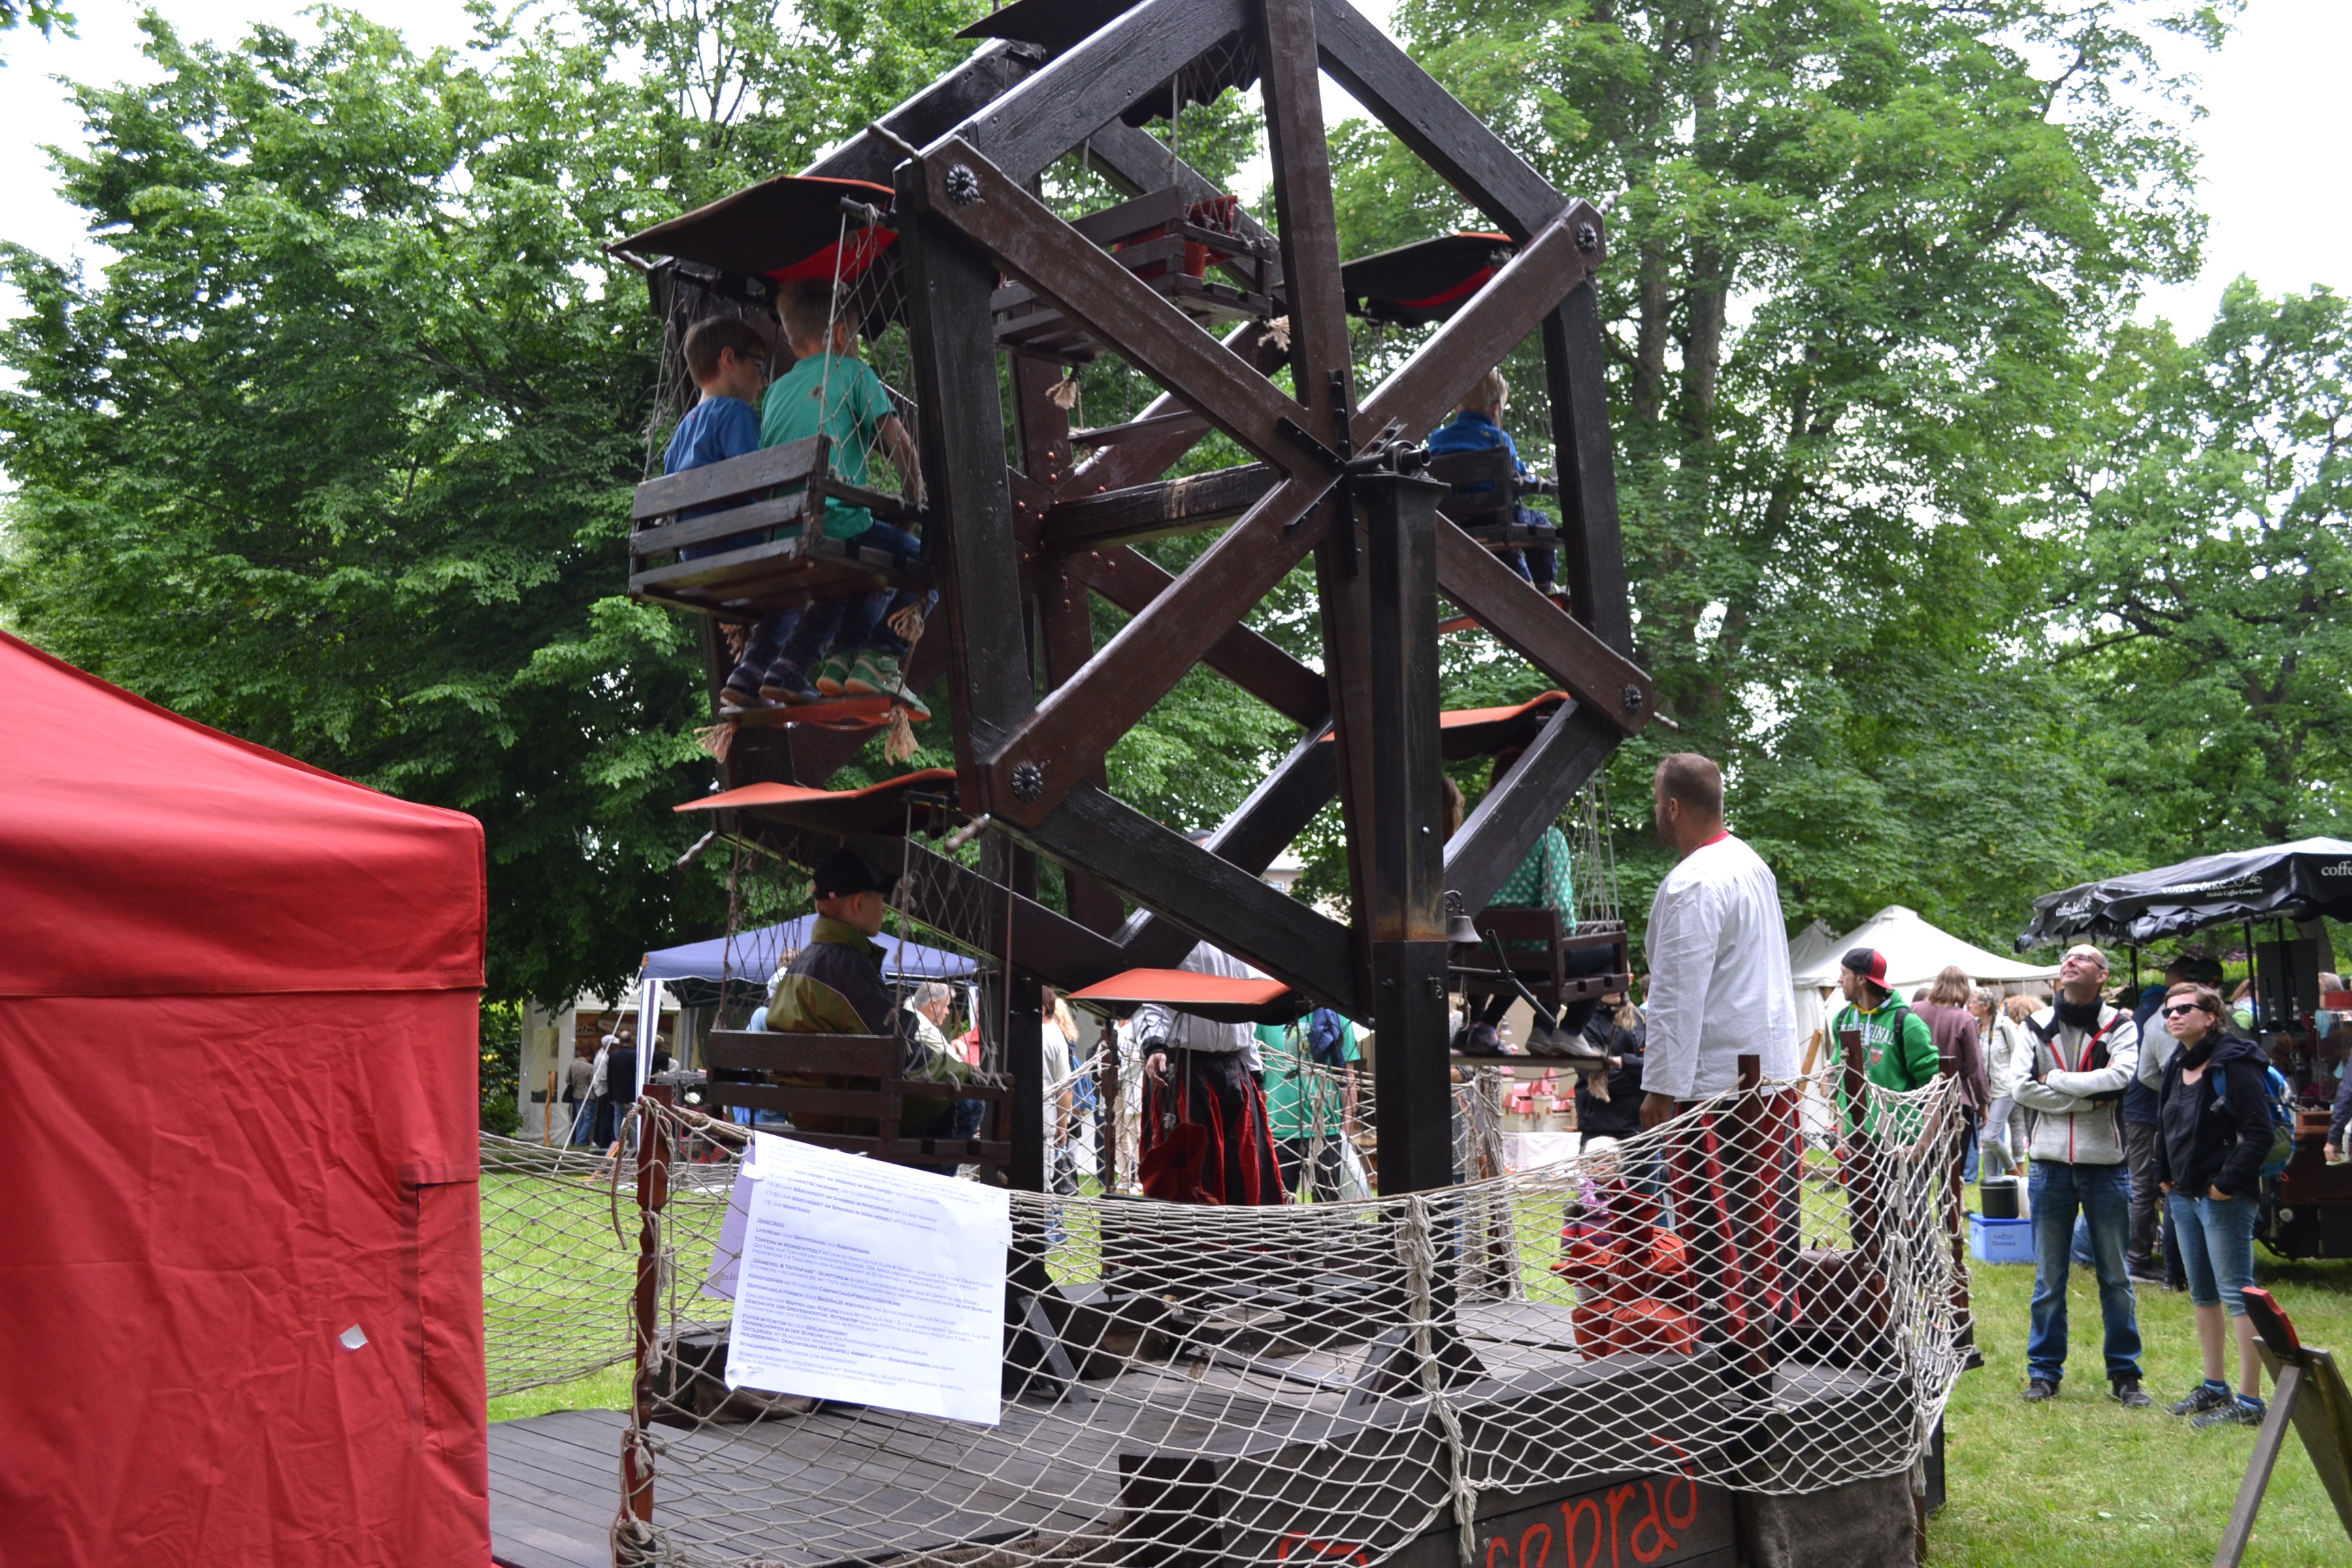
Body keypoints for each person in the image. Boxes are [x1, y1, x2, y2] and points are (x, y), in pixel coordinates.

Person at [755, 279, 929, 718]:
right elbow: (902, 448)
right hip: (835, 523)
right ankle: (879, 658)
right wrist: (917, 500)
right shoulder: (853, 373)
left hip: (786, 530)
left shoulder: (775, 391)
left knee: (865, 569)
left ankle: (817, 663)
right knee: (934, 563)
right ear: (839, 335)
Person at [2014, 943, 2147, 1406]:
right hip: (2049, 1164)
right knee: (2049, 1277)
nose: (2070, 961)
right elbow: (2019, 1088)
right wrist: (2086, 1099)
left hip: (2106, 1167)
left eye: (2083, 958)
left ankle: (2125, 1376)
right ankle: (2044, 1373)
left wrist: (2058, 1081)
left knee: (2115, 1276)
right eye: (2067, 957)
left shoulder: (2121, 1026)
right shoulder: (2033, 1025)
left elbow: (2122, 1077)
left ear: (2103, 976)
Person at [1637, 754, 1799, 1128]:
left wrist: (1661, 1089)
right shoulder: (1754, 865)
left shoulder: (1693, 882)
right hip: (1771, 1076)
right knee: (1765, 1188)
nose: (1657, 809)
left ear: (1673, 808)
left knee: (1718, 1189)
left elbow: (1677, 993)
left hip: (1717, 1092)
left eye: (1658, 801)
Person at [2152, 981, 2277, 1428]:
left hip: (2222, 1198)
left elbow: (2259, 1133)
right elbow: (2165, 1122)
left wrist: (2224, 1185)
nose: (2174, 1016)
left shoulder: (2235, 1063)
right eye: (2169, 1011)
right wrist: (2164, 1176)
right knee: (2203, 1294)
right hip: (2183, 1195)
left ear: (2211, 1016)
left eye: (2185, 1009)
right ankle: (2214, 1386)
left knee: (2237, 1294)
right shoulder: (2177, 1063)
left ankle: (2250, 1401)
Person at [662, 316, 783, 710]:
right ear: (729, 358)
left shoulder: (683, 430)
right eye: (759, 366)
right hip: (736, 542)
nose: (763, 380)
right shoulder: (736, 414)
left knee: (775, 598)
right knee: (799, 591)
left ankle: (751, 681)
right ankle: (756, 675)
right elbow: (754, 484)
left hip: (695, 554)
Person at [1133, 943, 1286, 1205]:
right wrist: (1154, 1044)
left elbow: (1244, 1012)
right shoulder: (1166, 936)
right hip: (1186, 1071)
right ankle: (1197, 1243)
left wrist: (1255, 1072)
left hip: (1235, 1071)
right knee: (1192, 1171)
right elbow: (1149, 995)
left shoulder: (1237, 938)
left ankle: (1246, 1242)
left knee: (1245, 1168)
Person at [1424, 368, 1556, 591]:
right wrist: (1536, 479)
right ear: (1496, 410)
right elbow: (1518, 481)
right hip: (1495, 517)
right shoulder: (1498, 439)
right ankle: (1544, 585)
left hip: (1454, 522)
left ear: (1457, 408)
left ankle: (1523, 585)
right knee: (1540, 524)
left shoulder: (1437, 439)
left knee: (1506, 548)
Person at [1259, 1006, 1364, 1202]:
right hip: (1278, 1129)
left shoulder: (1338, 1016)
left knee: (1327, 1210)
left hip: (1327, 1129)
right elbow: (1255, 1071)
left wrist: (1345, 1131)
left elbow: (1348, 1079)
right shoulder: (1267, 1013)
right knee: (1275, 1207)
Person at [1826, 949, 1940, 1126]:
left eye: (1844, 973)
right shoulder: (1841, 1020)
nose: (1839, 979)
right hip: (1854, 1138)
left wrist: (1923, 1141)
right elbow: (1841, 1075)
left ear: (1861, 979)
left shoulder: (1907, 1024)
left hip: (1898, 1141)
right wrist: (1842, 1125)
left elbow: (1934, 1086)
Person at [1915, 965, 1989, 1178]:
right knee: (1951, 1172)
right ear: (1964, 989)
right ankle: (1950, 1212)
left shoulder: (1915, 1010)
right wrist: (1983, 1103)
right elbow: (1976, 1066)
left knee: (1918, 1172)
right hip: (1955, 1102)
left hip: (1918, 1099)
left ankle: (1919, 1212)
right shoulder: (1964, 1019)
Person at [1972, 987, 2030, 1177]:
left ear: (1986, 1006)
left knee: (1989, 1137)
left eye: (1974, 1002)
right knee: (1990, 1140)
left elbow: (2018, 1054)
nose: (1969, 1005)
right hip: (1985, 1092)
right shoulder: (1975, 1026)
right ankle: (1992, 1183)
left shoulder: (2004, 1026)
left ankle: (2014, 1170)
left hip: (2005, 1089)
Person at [564, 1039, 599, 1148]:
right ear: (589, 1056)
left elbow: (567, 1079)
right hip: (588, 1096)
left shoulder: (572, 1065)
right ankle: (580, 1141)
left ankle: (578, 1141)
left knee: (580, 1119)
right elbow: (594, 1083)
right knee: (588, 1120)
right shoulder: (590, 1067)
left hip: (576, 1095)